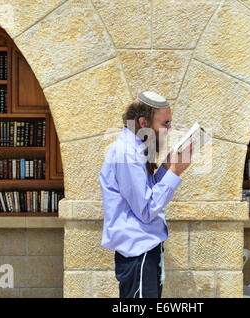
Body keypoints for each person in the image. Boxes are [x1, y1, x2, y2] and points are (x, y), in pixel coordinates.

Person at [99, 91, 193, 298]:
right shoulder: (126, 154)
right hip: (138, 254)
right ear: (143, 122)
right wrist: (175, 172)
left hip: (145, 252)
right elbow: (146, 210)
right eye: (165, 124)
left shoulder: (136, 148)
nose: (169, 130)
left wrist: (167, 168)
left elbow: (146, 193)